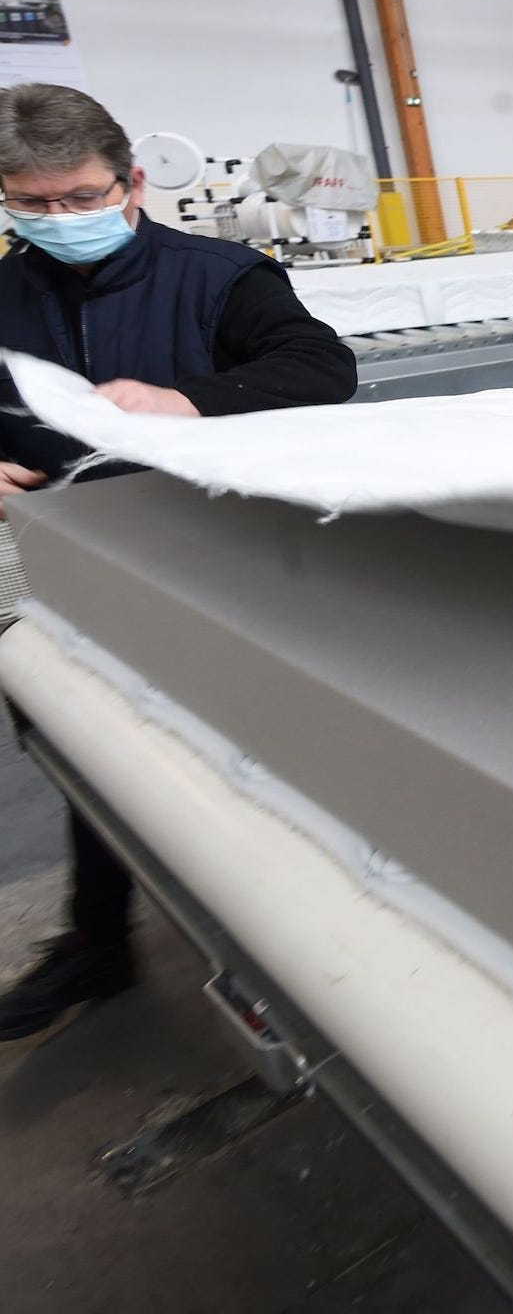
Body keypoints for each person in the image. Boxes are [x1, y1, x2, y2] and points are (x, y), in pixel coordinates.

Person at [0, 82, 358, 1041]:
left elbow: (321, 370)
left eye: (80, 197)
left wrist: (191, 400)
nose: (59, 219)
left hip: (210, 553)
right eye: (31, 204)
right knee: (80, 740)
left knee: (240, 742)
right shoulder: (3, 292)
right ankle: (98, 942)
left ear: (132, 181)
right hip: (58, 556)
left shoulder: (219, 275)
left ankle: (292, 944)